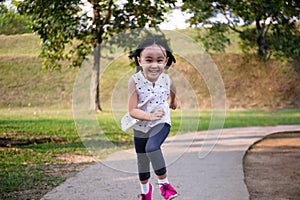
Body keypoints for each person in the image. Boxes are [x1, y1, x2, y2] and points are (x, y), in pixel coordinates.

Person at [121, 36, 178, 200]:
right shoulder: (134, 81)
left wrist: (174, 100)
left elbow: (172, 87)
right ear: (140, 60)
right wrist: (149, 116)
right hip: (140, 124)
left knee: (152, 147)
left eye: (159, 60)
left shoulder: (166, 79)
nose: (154, 64)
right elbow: (132, 110)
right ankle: (146, 192)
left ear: (166, 60)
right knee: (142, 158)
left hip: (161, 121)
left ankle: (165, 185)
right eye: (149, 60)